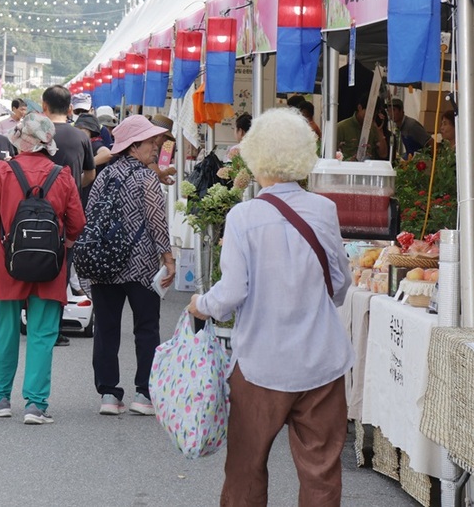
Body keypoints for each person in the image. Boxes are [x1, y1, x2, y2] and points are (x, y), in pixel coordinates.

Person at [187, 108, 353, 506]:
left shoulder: (244, 216)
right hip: (321, 359)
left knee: (246, 468)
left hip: (262, 362)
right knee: (321, 471)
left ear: (256, 156)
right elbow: (341, 281)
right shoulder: (324, 209)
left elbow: (232, 293)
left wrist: (200, 305)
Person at [0, 113, 86, 424]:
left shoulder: (4, 171)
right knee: (43, 333)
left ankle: (0, 399)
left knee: (6, 329)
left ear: (21, 141)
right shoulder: (61, 175)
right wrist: (64, 245)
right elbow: (77, 222)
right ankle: (35, 404)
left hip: (9, 262)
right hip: (49, 264)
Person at [86, 115, 176, 416]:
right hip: (141, 267)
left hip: (104, 265)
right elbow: (156, 221)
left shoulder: (104, 176)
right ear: (134, 146)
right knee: (147, 328)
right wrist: (168, 258)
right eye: (151, 142)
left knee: (106, 329)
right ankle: (144, 394)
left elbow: (91, 219)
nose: (156, 146)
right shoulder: (146, 177)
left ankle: (109, 395)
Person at [42, 85, 96, 345]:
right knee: (61, 270)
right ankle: (54, 328)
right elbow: (90, 175)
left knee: (35, 262)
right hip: (67, 214)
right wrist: (73, 189)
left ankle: (34, 320)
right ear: (71, 109)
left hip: (36, 211)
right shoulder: (80, 137)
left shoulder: (38, 135)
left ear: (44, 107)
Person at [336, 93, 387, 160]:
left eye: (374, 113)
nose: (371, 115)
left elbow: (383, 154)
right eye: (369, 112)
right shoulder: (341, 127)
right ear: (359, 107)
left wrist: (380, 132)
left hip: (368, 168)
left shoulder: (374, 128)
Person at [74, 113, 111, 207]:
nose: (79, 133)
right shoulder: (82, 144)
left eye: (83, 130)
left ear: (91, 132)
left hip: (92, 194)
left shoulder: (94, 144)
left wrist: (87, 164)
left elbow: (107, 153)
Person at [148, 114, 178, 185]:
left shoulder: (153, 147)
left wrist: (162, 178)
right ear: (161, 135)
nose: (165, 142)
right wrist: (167, 172)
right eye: (166, 138)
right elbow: (152, 173)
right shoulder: (148, 147)